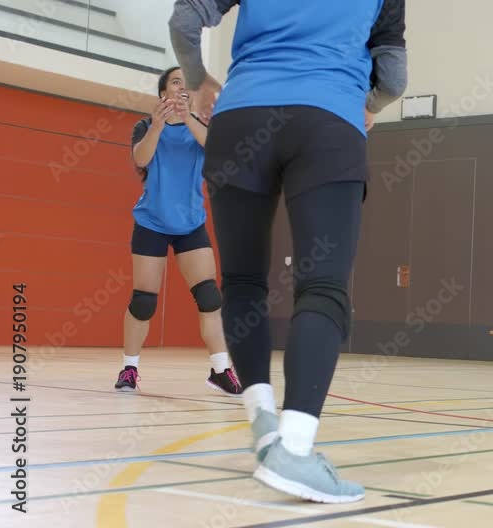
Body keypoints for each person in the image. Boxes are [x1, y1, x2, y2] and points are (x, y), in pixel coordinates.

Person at [168, 0, 407, 504]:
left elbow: (184, 20)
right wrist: (370, 104)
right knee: (323, 286)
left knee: (242, 281)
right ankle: (295, 450)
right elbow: (394, 77)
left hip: (240, 118)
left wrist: (198, 80)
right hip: (327, 122)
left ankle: (263, 425)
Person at [115, 66, 242, 397]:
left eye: (187, 84)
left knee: (209, 297)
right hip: (151, 223)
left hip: (190, 224)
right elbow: (140, 159)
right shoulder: (145, 126)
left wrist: (188, 117)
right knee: (143, 301)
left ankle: (221, 370)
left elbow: (215, 150)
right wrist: (159, 124)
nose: (182, 87)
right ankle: (129, 368)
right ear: (163, 94)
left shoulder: (201, 128)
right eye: (175, 82)